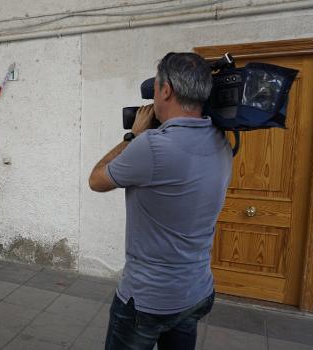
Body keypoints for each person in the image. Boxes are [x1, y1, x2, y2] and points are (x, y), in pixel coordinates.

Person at [88, 52, 233, 350]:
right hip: (196, 292)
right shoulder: (221, 141)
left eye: (154, 88)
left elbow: (96, 179)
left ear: (166, 90)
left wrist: (133, 136)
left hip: (148, 300)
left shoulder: (151, 146)